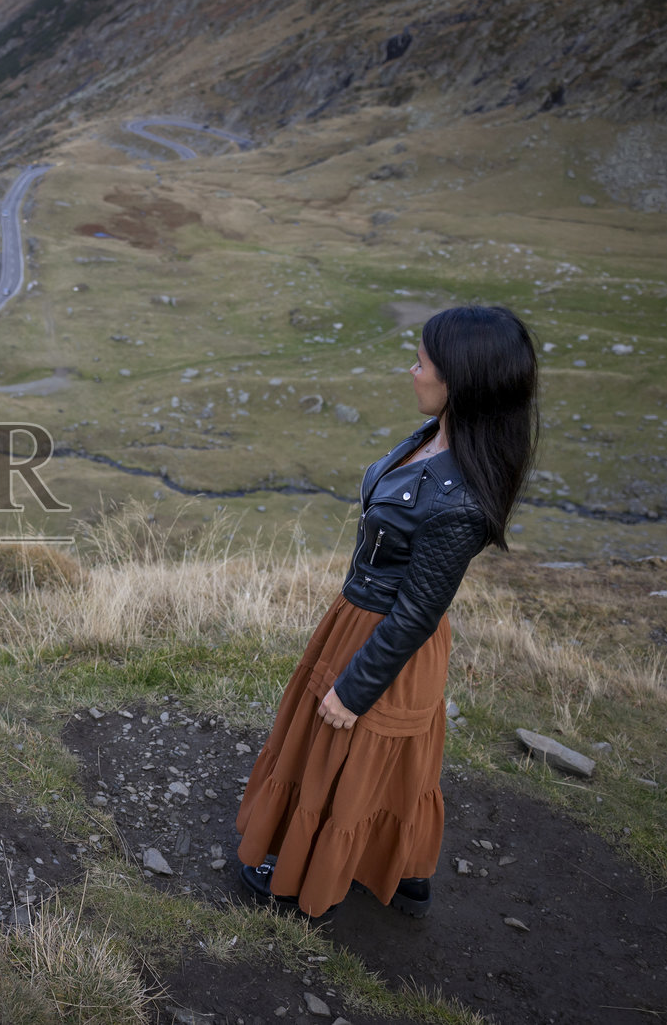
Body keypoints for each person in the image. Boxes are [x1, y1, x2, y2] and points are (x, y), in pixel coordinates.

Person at [234, 305, 539, 919]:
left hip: (388, 641)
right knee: (370, 760)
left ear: (460, 381)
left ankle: (306, 877)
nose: (412, 370)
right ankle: (401, 873)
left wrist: (354, 689)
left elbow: (418, 613)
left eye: (422, 362)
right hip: (359, 620)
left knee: (351, 752)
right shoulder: (436, 437)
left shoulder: (462, 502)